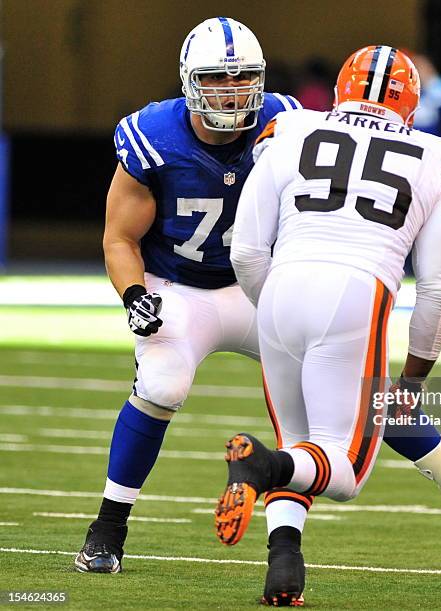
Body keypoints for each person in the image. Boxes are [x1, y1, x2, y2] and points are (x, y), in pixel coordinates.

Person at [219, 46, 441, 605]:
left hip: (279, 287)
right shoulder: (434, 156)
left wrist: (271, 302)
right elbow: (437, 292)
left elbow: (247, 250)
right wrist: (412, 382)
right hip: (354, 293)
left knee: (302, 448)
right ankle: (258, 465)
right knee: (341, 473)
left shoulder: (291, 128)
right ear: (411, 106)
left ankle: (284, 565)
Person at [73, 16, 304, 575]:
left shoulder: (286, 123)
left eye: (243, 77)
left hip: (256, 287)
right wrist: (134, 295)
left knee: (327, 385)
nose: (231, 90)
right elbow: (119, 238)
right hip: (177, 286)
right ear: (188, 80)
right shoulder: (154, 136)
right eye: (217, 79)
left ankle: (287, 548)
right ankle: (107, 530)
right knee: (160, 383)